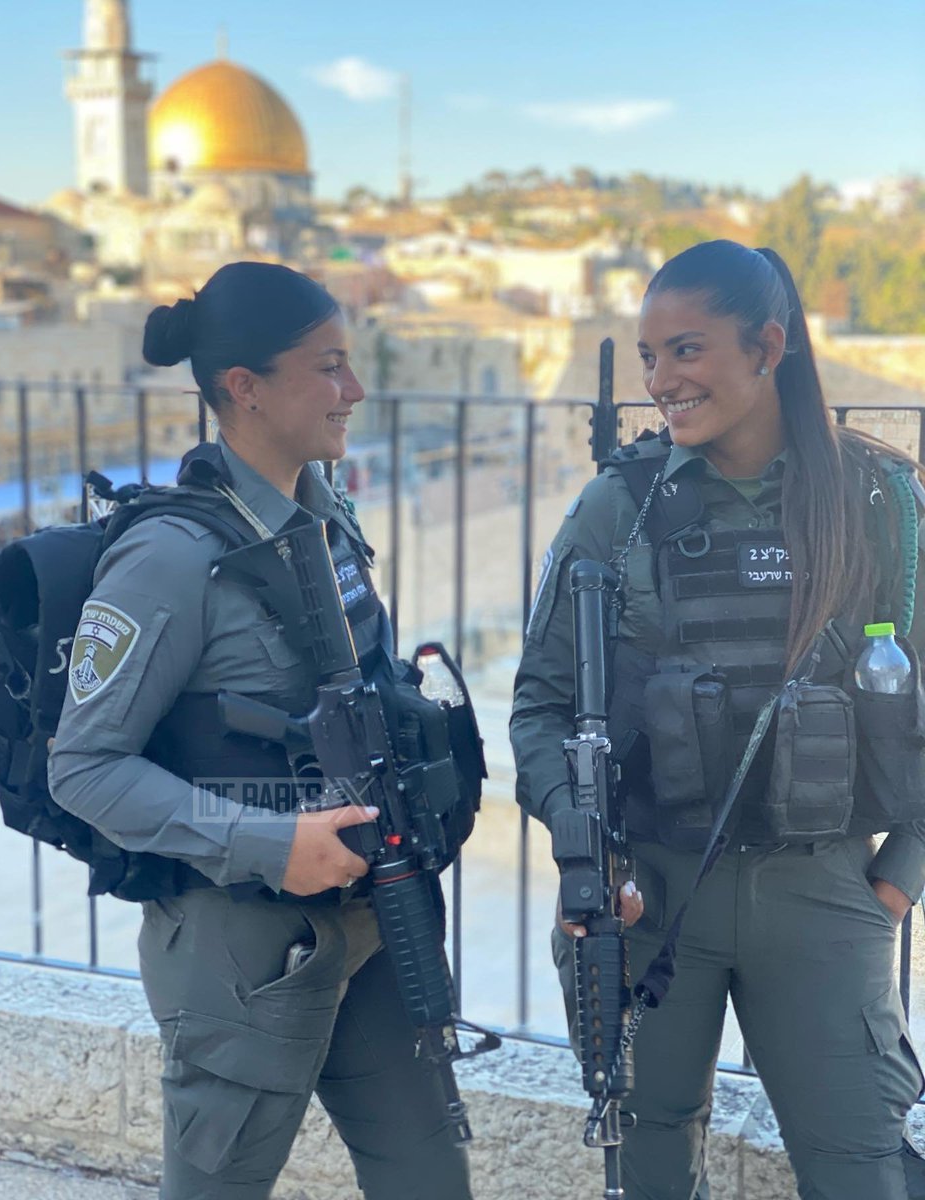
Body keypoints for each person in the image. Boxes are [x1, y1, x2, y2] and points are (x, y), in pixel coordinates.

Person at [48, 262, 473, 1200]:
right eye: (327, 368)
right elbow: (82, 766)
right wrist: (270, 844)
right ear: (243, 388)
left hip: (371, 920)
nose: (353, 391)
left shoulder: (325, 521)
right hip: (241, 954)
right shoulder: (170, 557)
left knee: (431, 1177)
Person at [511, 239, 925, 1200]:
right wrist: (587, 857)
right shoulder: (619, 504)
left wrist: (897, 882)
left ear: (767, 346)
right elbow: (538, 704)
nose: (661, 380)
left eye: (686, 351)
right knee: (651, 1170)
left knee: (864, 1172)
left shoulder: (880, 504)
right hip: (651, 898)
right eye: (649, 356)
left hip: (824, 892)